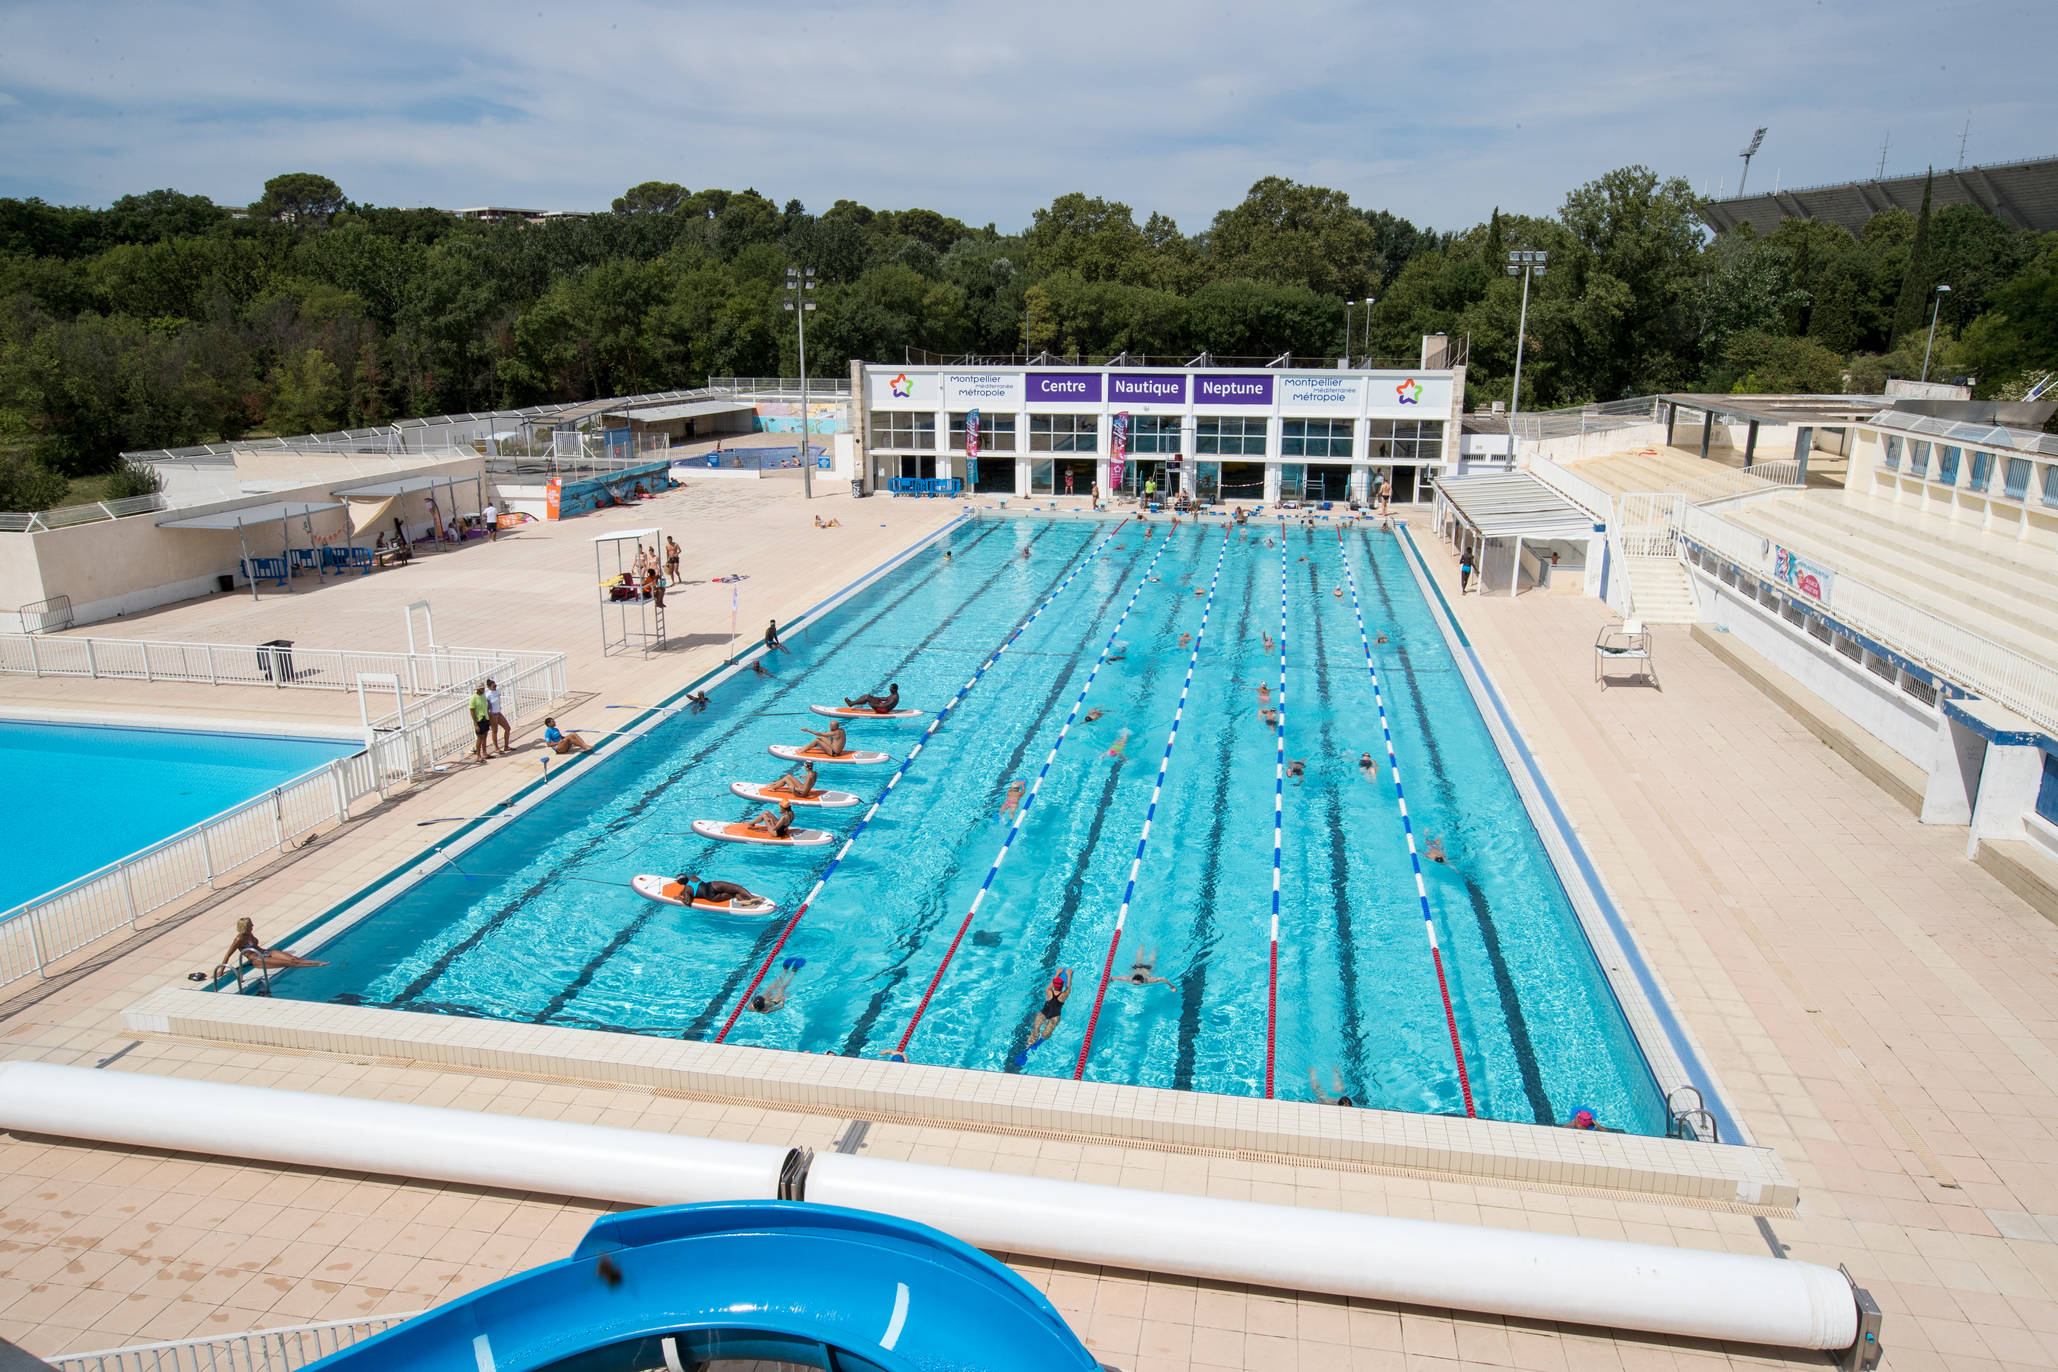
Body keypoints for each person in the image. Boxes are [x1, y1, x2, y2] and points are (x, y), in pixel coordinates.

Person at [216, 917, 327, 977]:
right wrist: (221, 971)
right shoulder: (238, 939)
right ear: (246, 927)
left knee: (294, 959)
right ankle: (317, 965)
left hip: (265, 952)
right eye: (251, 925)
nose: (253, 925)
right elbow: (228, 955)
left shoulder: (249, 934)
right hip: (257, 959)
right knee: (290, 963)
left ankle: (317, 963)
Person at [1023, 969, 1072, 1052]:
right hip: (1055, 1015)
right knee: (1048, 1031)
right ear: (1062, 986)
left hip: (1043, 1013)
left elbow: (1050, 985)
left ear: (1054, 986)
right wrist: (1069, 975)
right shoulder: (1064, 995)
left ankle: (1027, 1047)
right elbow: (1068, 987)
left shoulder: (1048, 992)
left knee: (1035, 1029)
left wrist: (1057, 973)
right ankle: (1039, 1042)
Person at [666, 874, 760, 906]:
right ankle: (751, 897)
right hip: (712, 885)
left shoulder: (687, 891)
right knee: (736, 888)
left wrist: (680, 898)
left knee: (732, 894)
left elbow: (688, 902)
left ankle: (742, 901)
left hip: (710, 896)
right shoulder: (693, 878)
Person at [485, 678, 512, 755]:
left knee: (507, 728)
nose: (495, 687)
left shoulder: (496, 692)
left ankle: (506, 746)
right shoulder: (488, 695)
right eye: (493, 686)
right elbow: (487, 706)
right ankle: (496, 748)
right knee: (495, 731)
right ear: (489, 687)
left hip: (498, 713)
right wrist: (489, 715)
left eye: (495, 686)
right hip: (492, 714)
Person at [469, 684, 491, 762]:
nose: (483, 689)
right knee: (479, 738)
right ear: (477, 689)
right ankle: (478, 755)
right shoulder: (473, 698)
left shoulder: (483, 696)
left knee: (485, 736)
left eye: (483, 688)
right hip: (479, 720)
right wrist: (476, 724)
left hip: (486, 719)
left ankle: (484, 752)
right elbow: (472, 711)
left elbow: (486, 706)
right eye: (481, 688)